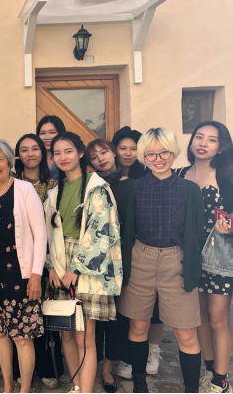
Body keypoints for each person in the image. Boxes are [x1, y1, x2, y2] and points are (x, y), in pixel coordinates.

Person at [118, 128, 205, 394]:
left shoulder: (189, 189)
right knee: (138, 325)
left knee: (186, 332)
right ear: (143, 156)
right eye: (151, 154)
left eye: (164, 152)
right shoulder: (134, 188)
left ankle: (191, 388)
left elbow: (197, 231)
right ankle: (139, 383)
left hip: (176, 261)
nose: (158, 159)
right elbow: (127, 228)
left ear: (174, 152)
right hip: (141, 259)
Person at [45, 132, 123, 394]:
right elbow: (46, 233)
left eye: (68, 151)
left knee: (84, 336)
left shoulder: (96, 186)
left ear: (80, 153)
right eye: (57, 153)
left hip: (88, 266)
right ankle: (77, 386)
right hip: (59, 263)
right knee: (65, 332)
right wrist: (51, 266)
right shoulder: (54, 192)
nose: (62, 157)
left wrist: (76, 268)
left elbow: (101, 230)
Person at [0, 139, 46, 394]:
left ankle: (24, 389)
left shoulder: (25, 189)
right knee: (0, 334)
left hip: (21, 277)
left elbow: (40, 234)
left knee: (22, 337)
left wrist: (36, 276)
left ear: (9, 162)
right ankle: (8, 386)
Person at [177, 121, 233, 394]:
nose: (203, 143)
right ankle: (210, 371)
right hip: (188, 256)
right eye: (199, 137)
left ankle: (221, 380)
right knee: (197, 316)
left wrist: (229, 225)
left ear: (221, 147)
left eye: (212, 139)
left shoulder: (227, 177)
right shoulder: (179, 174)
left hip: (218, 259)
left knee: (218, 318)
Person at [112, 126, 164, 379]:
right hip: (115, 250)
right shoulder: (106, 179)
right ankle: (125, 355)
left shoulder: (150, 177)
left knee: (153, 306)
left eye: (134, 148)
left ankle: (152, 351)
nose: (128, 153)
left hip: (144, 249)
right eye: (122, 148)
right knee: (126, 307)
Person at [12, 133, 63, 390]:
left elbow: (55, 226)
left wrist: (51, 263)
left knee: (45, 316)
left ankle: (48, 368)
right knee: (19, 317)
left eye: (35, 148)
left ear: (43, 153)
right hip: (17, 258)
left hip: (48, 258)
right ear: (17, 154)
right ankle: (22, 371)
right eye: (24, 149)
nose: (30, 154)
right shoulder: (11, 182)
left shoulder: (54, 185)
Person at [86, 138, 135, 393]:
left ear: (113, 152)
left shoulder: (131, 185)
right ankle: (91, 366)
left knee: (117, 319)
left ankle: (108, 368)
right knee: (94, 319)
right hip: (95, 261)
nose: (100, 159)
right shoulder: (91, 185)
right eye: (94, 157)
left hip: (120, 260)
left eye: (103, 152)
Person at [37, 115, 66, 180]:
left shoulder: (68, 157)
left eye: (52, 132)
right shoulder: (33, 157)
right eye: (42, 133)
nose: (47, 137)